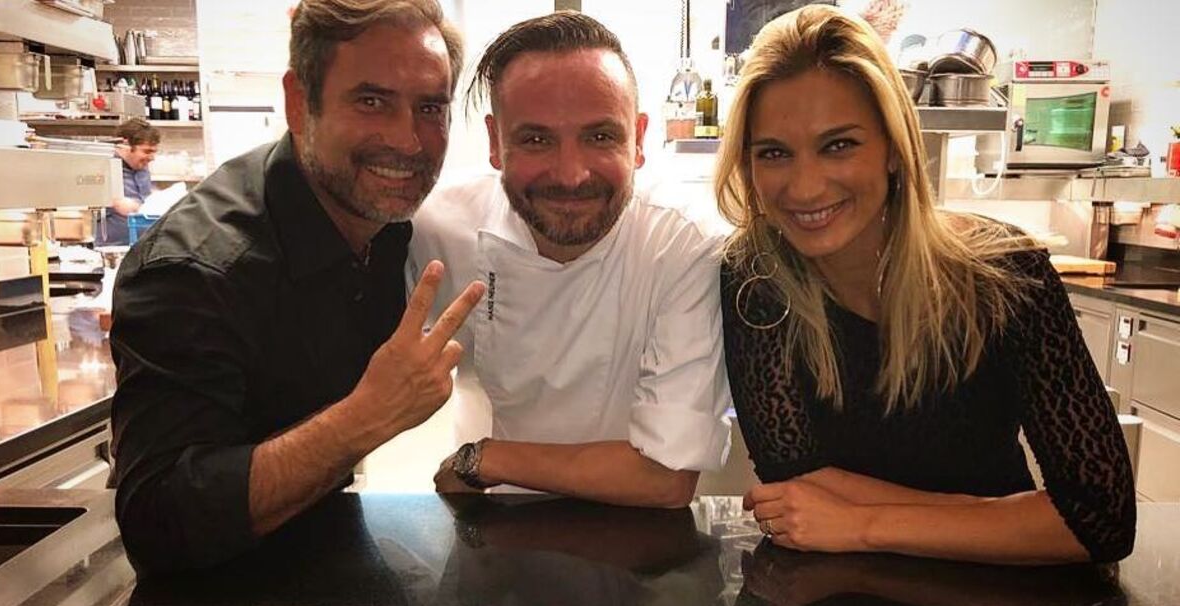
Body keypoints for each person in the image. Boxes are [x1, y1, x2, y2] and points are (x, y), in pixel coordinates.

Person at [715, 5, 1135, 564]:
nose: (806, 187)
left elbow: (1101, 518)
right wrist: (1005, 516)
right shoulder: (756, 279)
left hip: (1001, 599)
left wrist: (862, 524)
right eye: (774, 153)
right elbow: (795, 482)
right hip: (835, 596)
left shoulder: (1006, 274)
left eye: (839, 145)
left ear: (893, 147)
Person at [109, 0, 483, 575]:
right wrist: (368, 415)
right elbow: (156, 522)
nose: (409, 142)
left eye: (429, 107)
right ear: (299, 103)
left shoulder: (386, 223)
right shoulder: (196, 268)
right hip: (213, 599)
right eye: (372, 101)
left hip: (324, 550)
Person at [411, 12, 731, 508]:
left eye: (600, 137)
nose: (570, 174)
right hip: (486, 524)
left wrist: (482, 459)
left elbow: (665, 478)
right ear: (495, 143)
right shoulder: (437, 229)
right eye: (536, 139)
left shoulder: (683, 245)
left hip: (635, 536)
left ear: (638, 138)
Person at [100, 117, 158, 246]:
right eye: (147, 151)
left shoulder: (142, 167)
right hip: (114, 248)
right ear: (125, 146)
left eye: (153, 152)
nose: (152, 158)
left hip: (145, 246)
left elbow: (147, 199)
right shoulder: (103, 167)